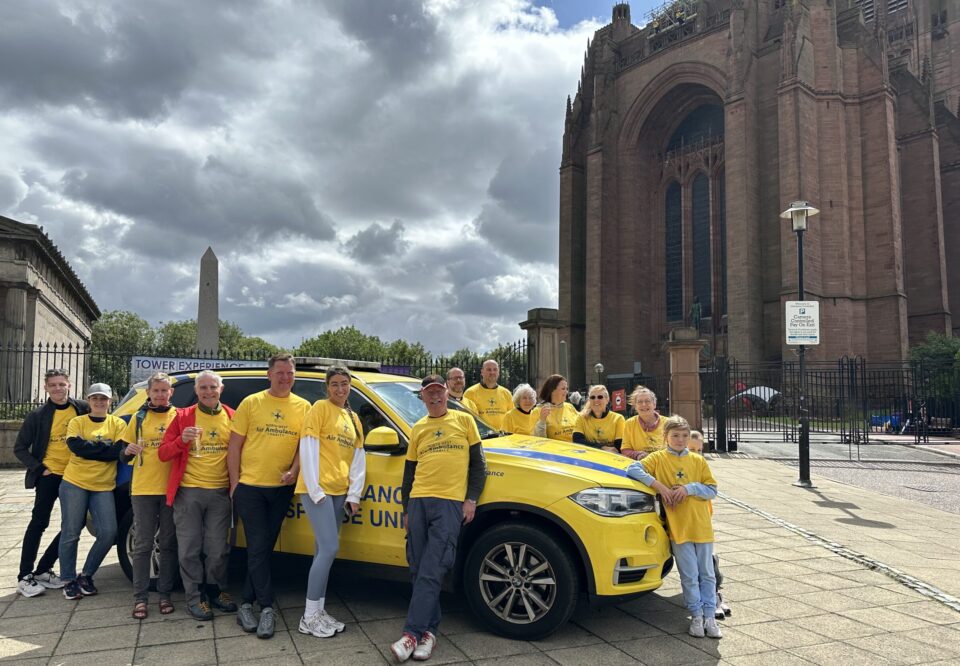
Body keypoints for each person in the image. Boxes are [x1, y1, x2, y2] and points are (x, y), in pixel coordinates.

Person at [390, 375, 487, 663]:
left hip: (448, 504)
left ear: (447, 394)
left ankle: (411, 634)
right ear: (422, 397)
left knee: (433, 568)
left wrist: (471, 499)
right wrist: (407, 510)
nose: (435, 397)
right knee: (417, 567)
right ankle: (429, 633)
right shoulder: (418, 428)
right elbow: (409, 474)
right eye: (429, 393)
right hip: (419, 501)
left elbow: (479, 465)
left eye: (439, 392)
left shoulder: (464, 421)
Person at [228, 353, 310, 639]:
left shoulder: (304, 406)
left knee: (262, 548)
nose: (285, 378)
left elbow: (303, 446)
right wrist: (235, 484)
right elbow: (235, 446)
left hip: (281, 489)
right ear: (269, 374)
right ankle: (266, 607)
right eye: (280, 373)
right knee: (258, 545)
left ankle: (246, 604)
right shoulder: (252, 403)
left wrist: (295, 469)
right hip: (250, 487)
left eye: (290, 373)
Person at [626, 415, 721, 639]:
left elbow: (712, 490)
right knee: (689, 574)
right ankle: (696, 615)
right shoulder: (658, 458)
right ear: (665, 436)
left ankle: (710, 615)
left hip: (701, 526)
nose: (680, 440)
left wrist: (690, 488)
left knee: (706, 573)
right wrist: (660, 486)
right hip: (678, 528)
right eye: (675, 435)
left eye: (684, 436)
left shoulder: (698, 461)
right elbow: (633, 469)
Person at [158, 370, 237, 621]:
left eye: (213, 387)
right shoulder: (182, 416)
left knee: (217, 549)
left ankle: (215, 590)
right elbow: (163, 453)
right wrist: (181, 440)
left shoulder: (232, 416)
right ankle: (194, 598)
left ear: (221, 390)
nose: (208, 392)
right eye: (203, 387)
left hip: (219, 492)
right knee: (190, 549)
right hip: (189, 492)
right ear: (196, 391)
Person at [295, 365, 366, 639]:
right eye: (335, 384)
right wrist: (315, 490)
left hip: (339, 492)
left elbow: (358, 458)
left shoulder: (353, 417)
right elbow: (308, 446)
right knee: (329, 548)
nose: (340, 389)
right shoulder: (319, 409)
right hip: (319, 491)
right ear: (327, 387)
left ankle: (319, 610)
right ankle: (309, 617)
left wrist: (353, 494)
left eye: (344, 384)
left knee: (320, 553)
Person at [13, 369, 89, 597]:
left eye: (62, 384)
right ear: (46, 388)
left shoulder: (81, 408)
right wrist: (40, 469)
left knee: (75, 524)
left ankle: (44, 569)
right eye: (53, 385)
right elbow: (19, 448)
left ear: (69, 385)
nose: (58, 388)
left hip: (75, 476)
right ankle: (24, 576)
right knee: (39, 522)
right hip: (49, 476)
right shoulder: (37, 416)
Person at [119, 372, 179, 618]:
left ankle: (165, 594)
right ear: (149, 393)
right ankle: (140, 598)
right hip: (143, 488)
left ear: (171, 393)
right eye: (156, 391)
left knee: (167, 544)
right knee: (143, 545)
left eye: (165, 391)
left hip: (171, 489)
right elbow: (123, 454)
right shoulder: (139, 417)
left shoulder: (178, 415)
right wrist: (128, 451)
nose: (161, 395)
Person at [58, 383, 125, 600]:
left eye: (103, 398)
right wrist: (105, 448)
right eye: (95, 398)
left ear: (110, 401)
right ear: (88, 400)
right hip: (74, 483)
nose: (99, 402)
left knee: (108, 533)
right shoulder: (77, 422)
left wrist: (94, 449)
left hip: (103, 486)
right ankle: (68, 579)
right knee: (70, 533)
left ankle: (86, 574)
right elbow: (76, 447)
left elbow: (118, 452)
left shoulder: (117, 423)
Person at [686, 430, 731, 619]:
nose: (696, 453)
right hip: (682, 523)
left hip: (701, 519)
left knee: (706, 563)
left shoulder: (701, 466)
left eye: (699, 449)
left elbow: (711, 491)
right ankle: (709, 598)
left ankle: (714, 597)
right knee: (697, 563)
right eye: (692, 449)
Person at [573, 385, 624, 453]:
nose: (596, 400)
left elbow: (619, 446)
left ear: (607, 399)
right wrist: (602, 447)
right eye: (592, 397)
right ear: (589, 400)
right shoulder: (581, 418)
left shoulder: (618, 419)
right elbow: (577, 441)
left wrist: (591, 445)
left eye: (600, 397)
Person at [463, 359, 513, 429]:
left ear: (498, 372)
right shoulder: (470, 393)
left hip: (503, 437)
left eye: (495, 369)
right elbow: (466, 419)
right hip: (482, 437)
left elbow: (512, 418)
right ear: (482, 372)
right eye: (489, 370)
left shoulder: (506, 393)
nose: (492, 372)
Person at [621, 386, 665, 460]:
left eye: (647, 401)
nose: (644, 404)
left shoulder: (668, 423)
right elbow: (625, 450)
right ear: (635, 406)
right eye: (639, 402)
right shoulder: (629, 424)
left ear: (654, 404)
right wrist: (638, 455)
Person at [533, 374, 579, 442]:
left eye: (567, 389)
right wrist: (542, 422)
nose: (566, 392)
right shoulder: (538, 410)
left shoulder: (570, 407)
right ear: (552, 391)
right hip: (555, 451)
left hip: (576, 449)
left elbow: (582, 425)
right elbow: (538, 441)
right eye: (563, 389)